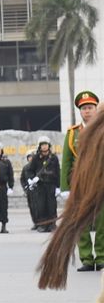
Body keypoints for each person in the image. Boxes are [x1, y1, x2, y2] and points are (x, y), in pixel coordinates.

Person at [61, 90, 104, 271]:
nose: (87, 111)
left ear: (96, 109)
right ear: (80, 111)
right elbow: (66, 161)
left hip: (100, 181)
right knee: (81, 221)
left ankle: (101, 256)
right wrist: (65, 187)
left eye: (90, 107)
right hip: (80, 183)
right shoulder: (72, 134)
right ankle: (87, 258)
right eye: (84, 108)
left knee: (102, 220)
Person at [28, 136, 60, 233]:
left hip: (50, 184)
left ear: (49, 145)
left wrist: (58, 187)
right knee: (41, 205)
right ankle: (43, 225)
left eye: (46, 144)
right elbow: (30, 170)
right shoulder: (36, 158)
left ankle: (52, 224)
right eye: (42, 145)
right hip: (40, 185)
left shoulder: (53, 158)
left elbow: (58, 172)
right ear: (39, 146)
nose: (44, 147)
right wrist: (32, 179)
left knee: (52, 205)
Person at [19, 151, 38, 229]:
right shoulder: (26, 168)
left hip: (39, 191)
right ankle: (35, 223)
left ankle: (41, 223)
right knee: (32, 207)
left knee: (40, 208)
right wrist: (25, 188)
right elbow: (22, 179)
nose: (31, 158)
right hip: (30, 191)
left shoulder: (38, 167)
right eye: (29, 157)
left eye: (33, 156)